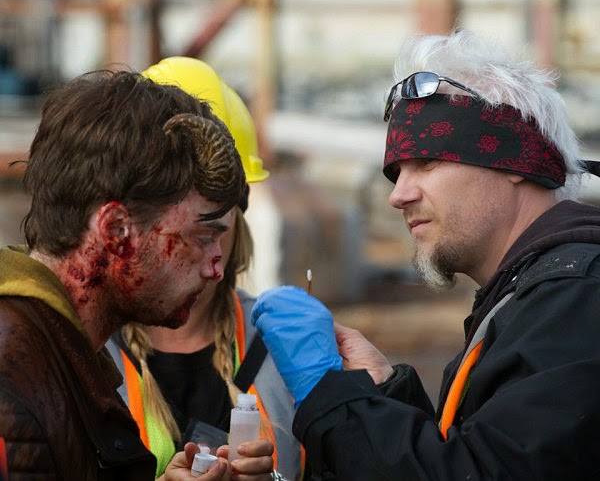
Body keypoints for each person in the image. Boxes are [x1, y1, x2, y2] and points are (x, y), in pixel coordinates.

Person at [249, 30, 600, 479]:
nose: (398, 195)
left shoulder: (576, 299)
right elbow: (480, 457)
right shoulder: (534, 296)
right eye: (397, 172)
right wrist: (381, 391)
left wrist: (334, 398)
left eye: (427, 163)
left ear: (516, 161)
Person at [0, 69, 274, 480]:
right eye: (202, 236)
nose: (216, 268)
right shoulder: (16, 384)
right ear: (116, 231)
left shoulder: (60, 356)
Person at [106, 57, 302, 480]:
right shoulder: (84, 348)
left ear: (235, 219)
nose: (187, 242)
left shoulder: (288, 345)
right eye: (169, 216)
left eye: (208, 222)